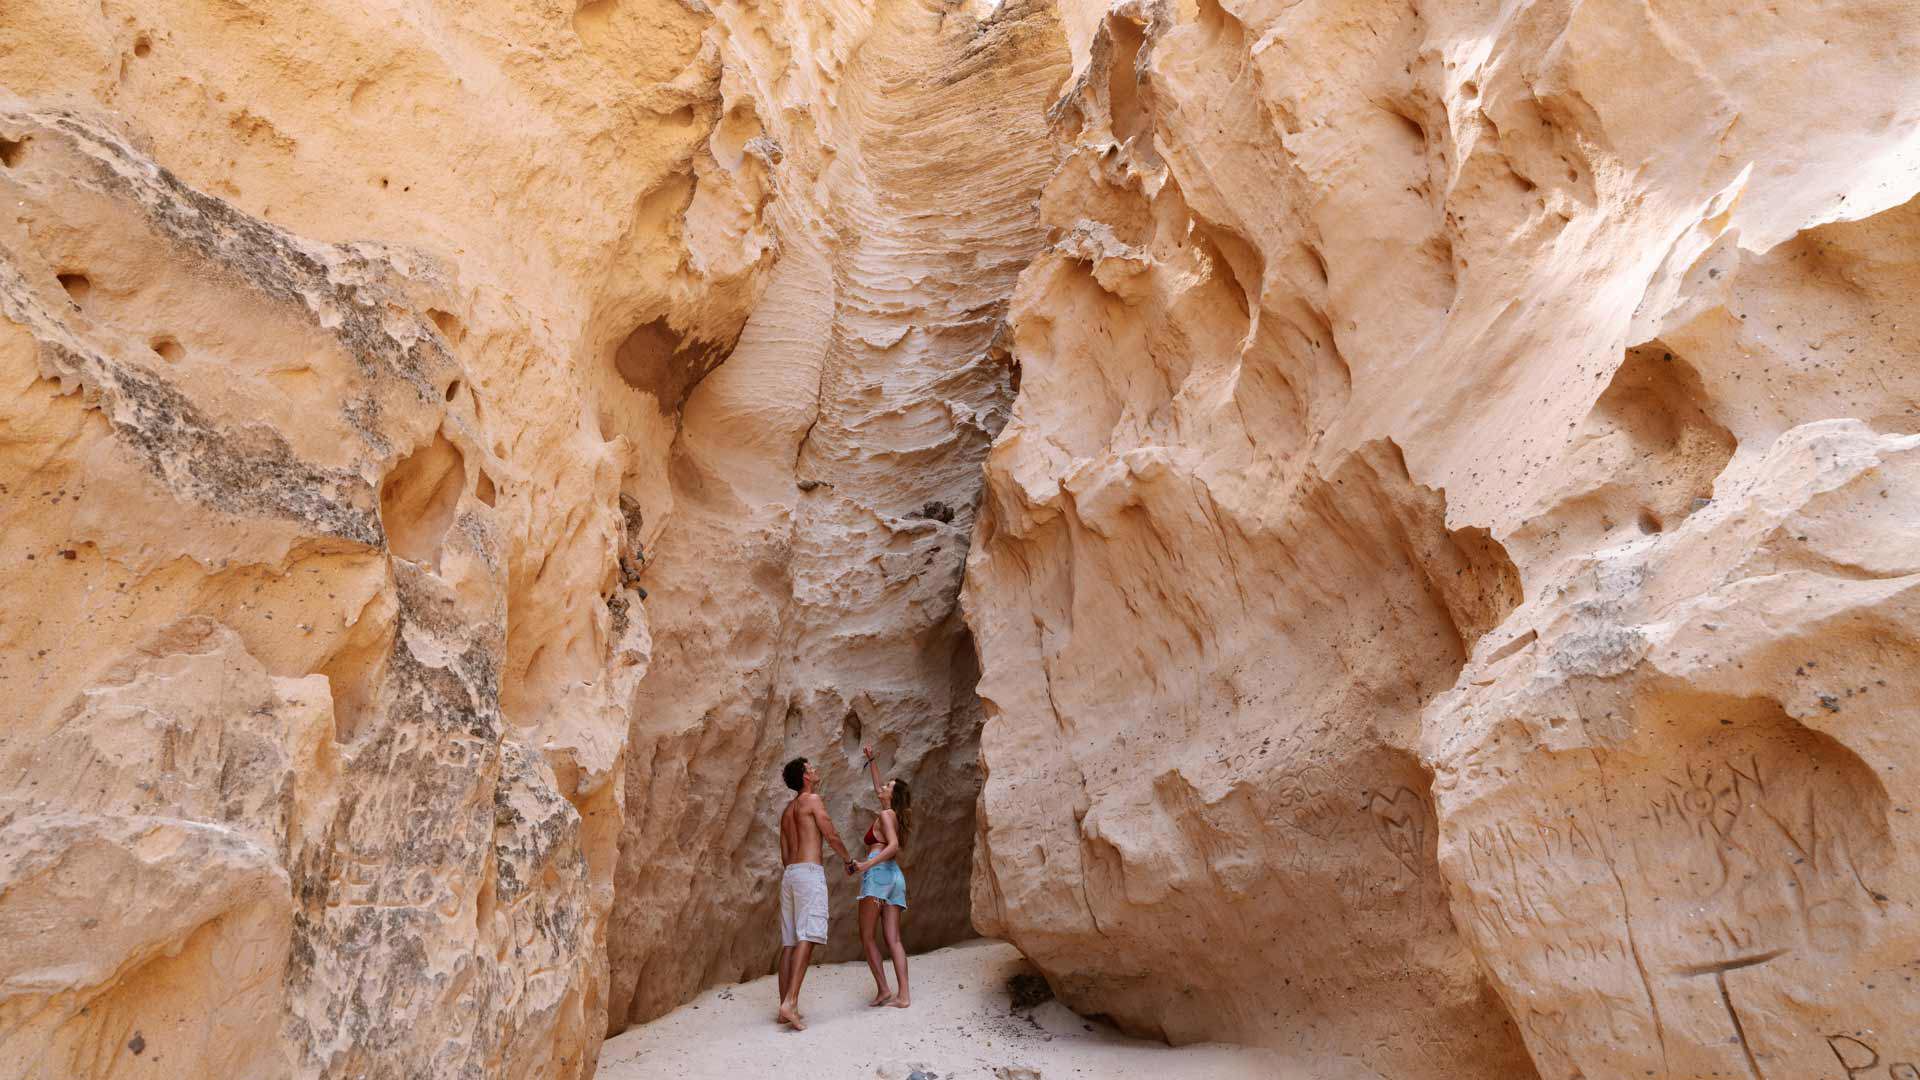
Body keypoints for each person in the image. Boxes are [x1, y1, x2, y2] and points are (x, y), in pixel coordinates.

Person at [776, 756, 856, 1030]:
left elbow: (785, 855)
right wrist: (848, 860)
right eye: (810, 768)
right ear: (805, 777)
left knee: (789, 942)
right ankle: (791, 1002)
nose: (815, 770)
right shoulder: (812, 801)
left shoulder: (787, 812)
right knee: (808, 936)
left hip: (790, 876)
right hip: (809, 873)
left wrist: (796, 871)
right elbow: (831, 834)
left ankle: (782, 1006)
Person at [852, 745, 912, 1009]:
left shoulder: (885, 815)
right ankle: (904, 996)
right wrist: (872, 760)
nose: (883, 786)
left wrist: (866, 865)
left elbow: (893, 846)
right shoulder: (893, 814)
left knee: (867, 936)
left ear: (893, 795)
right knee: (894, 939)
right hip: (895, 878)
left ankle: (884, 990)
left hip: (878, 876)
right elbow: (877, 786)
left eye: (889, 785)